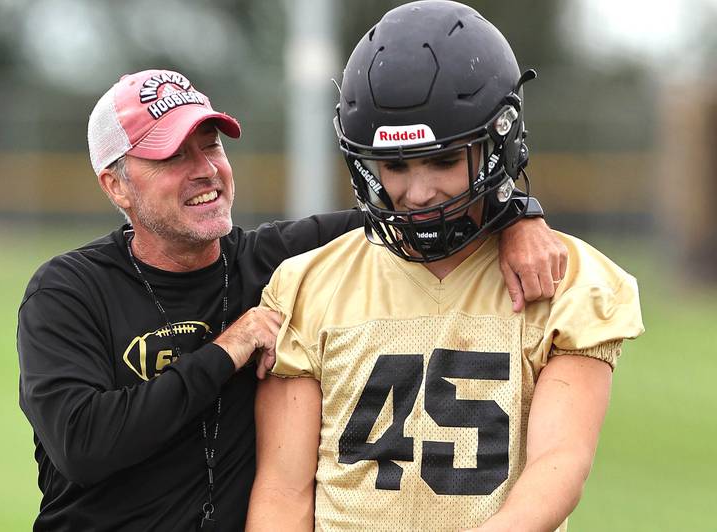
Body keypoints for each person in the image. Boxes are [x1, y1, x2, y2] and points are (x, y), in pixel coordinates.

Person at [17, 67, 567, 531]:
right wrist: (226, 349)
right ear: (115, 185)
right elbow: (83, 444)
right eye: (170, 158)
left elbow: (420, 213)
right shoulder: (67, 291)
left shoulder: (279, 261)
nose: (204, 170)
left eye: (209, 145)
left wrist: (519, 214)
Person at [246, 2, 645, 531]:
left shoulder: (564, 282)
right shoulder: (308, 284)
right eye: (394, 166)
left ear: (498, 143)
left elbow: (559, 467)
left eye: (443, 160)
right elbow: (282, 493)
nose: (419, 193)